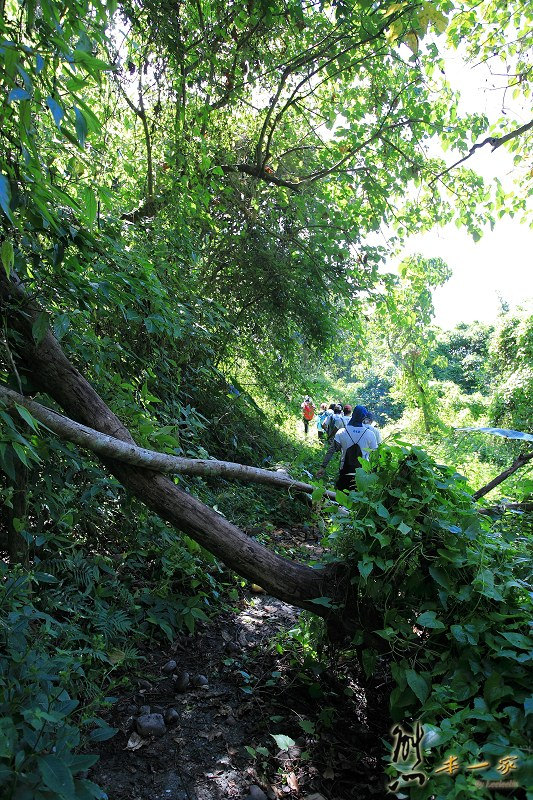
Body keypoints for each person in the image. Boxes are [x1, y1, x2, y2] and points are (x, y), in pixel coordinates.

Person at [315, 405, 378, 490]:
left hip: (344, 470)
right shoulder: (370, 434)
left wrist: (323, 467)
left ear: (353, 415)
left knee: (342, 496)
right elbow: (375, 455)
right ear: (363, 418)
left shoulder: (341, 432)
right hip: (362, 473)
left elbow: (331, 450)